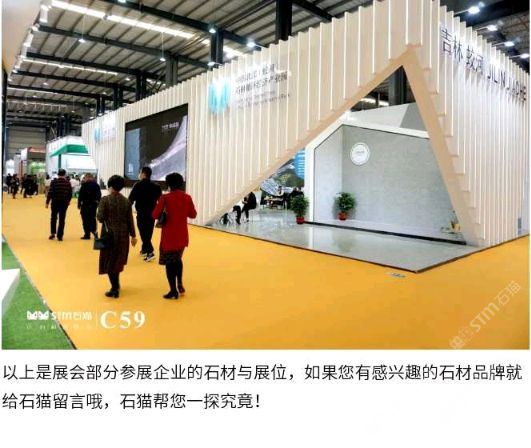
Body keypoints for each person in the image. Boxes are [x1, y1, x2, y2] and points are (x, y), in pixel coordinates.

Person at [152, 172, 197, 299]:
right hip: (182, 236)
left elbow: (154, 215)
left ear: (168, 184)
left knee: (169, 264)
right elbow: (193, 215)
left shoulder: (165, 198)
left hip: (169, 237)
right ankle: (180, 283)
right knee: (177, 259)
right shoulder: (187, 197)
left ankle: (173, 291)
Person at [97, 175, 137, 298]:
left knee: (108, 260)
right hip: (123, 235)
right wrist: (133, 235)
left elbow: (100, 218)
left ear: (110, 186)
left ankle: (114, 288)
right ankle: (117, 284)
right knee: (118, 260)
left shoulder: (105, 200)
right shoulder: (126, 201)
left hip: (108, 235)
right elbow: (130, 220)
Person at [128, 166, 162, 262]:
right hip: (152, 213)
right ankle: (144, 249)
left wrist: (126, 209)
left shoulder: (137, 185)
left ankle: (150, 252)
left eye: (140, 173)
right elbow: (160, 201)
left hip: (141, 212)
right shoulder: (156, 186)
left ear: (143, 174)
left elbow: (130, 199)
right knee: (148, 232)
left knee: (143, 232)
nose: (139, 174)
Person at [46, 169, 72, 241]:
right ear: (65, 174)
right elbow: (70, 193)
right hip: (64, 203)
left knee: (53, 218)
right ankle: (60, 236)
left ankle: (53, 233)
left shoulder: (54, 182)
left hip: (55, 202)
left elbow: (50, 192)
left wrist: (47, 202)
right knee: (62, 219)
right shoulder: (68, 183)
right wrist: (68, 201)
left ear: (58, 174)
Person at [78, 173, 102, 240]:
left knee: (85, 219)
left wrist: (79, 204)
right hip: (93, 205)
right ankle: (94, 232)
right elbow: (99, 195)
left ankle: (87, 234)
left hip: (85, 204)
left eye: (85, 177)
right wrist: (98, 203)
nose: (85, 179)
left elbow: (81, 195)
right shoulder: (96, 185)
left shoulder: (84, 185)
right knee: (92, 219)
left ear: (88, 177)